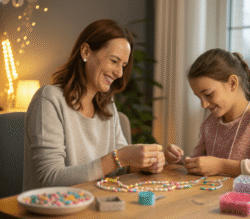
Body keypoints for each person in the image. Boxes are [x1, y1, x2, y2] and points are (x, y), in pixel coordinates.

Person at [23, 19, 165, 192]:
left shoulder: (108, 105)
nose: (119, 73)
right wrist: (118, 158)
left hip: (97, 206)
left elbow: (121, 166)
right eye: (114, 61)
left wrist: (144, 163)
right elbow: (51, 179)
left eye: (123, 65)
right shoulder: (49, 99)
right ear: (85, 52)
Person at [165, 48, 250, 180]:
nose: (203, 105)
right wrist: (178, 159)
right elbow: (199, 164)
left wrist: (221, 166)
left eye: (208, 94)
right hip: (215, 198)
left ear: (232, 83)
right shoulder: (210, 123)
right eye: (199, 97)